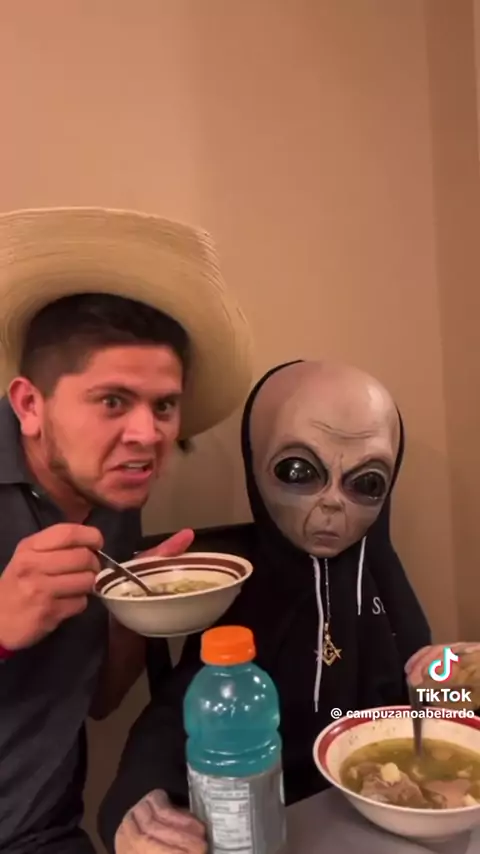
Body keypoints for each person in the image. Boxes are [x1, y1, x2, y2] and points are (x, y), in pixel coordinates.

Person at [98, 359, 431, 854]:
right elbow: (183, 707)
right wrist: (137, 800)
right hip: (266, 823)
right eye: (299, 472)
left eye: (366, 483)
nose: (333, 503)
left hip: (377, 814)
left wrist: (459, 677)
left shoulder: (379, 576)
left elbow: (431, 704)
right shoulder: (239, 590)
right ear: (255, 465)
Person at [0, 206, 253, 854]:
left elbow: (101, 702)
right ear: (29, 405)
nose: (147, 434)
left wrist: (137, 610)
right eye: (113, 401)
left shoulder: (112, 495)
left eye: (163, 405)